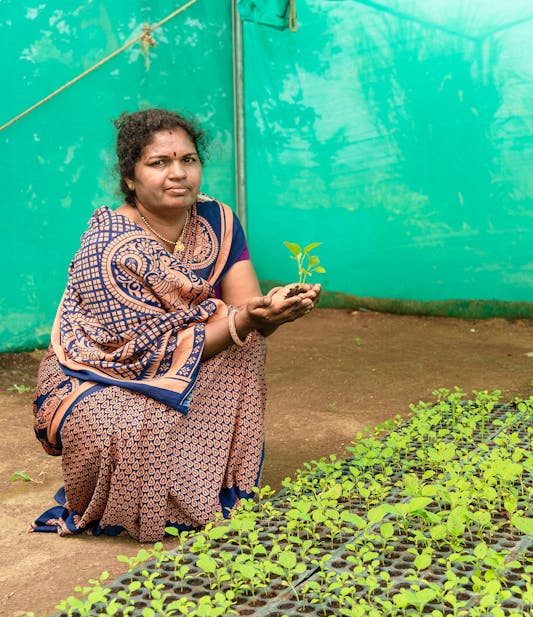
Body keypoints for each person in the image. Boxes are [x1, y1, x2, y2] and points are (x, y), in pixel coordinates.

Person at [30, 108, 320, 542]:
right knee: (122, 424)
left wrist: (270, 311)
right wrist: (241, 319)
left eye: (188, 160)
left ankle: (202, 491)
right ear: (130, 177)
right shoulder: (107, 246)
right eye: (159, 163)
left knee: (245, 344)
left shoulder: (217, 222)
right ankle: (136, 499)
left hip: (186, 361)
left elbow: (246, 316)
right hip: (99, 370)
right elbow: (137, 354)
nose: (178, 173)